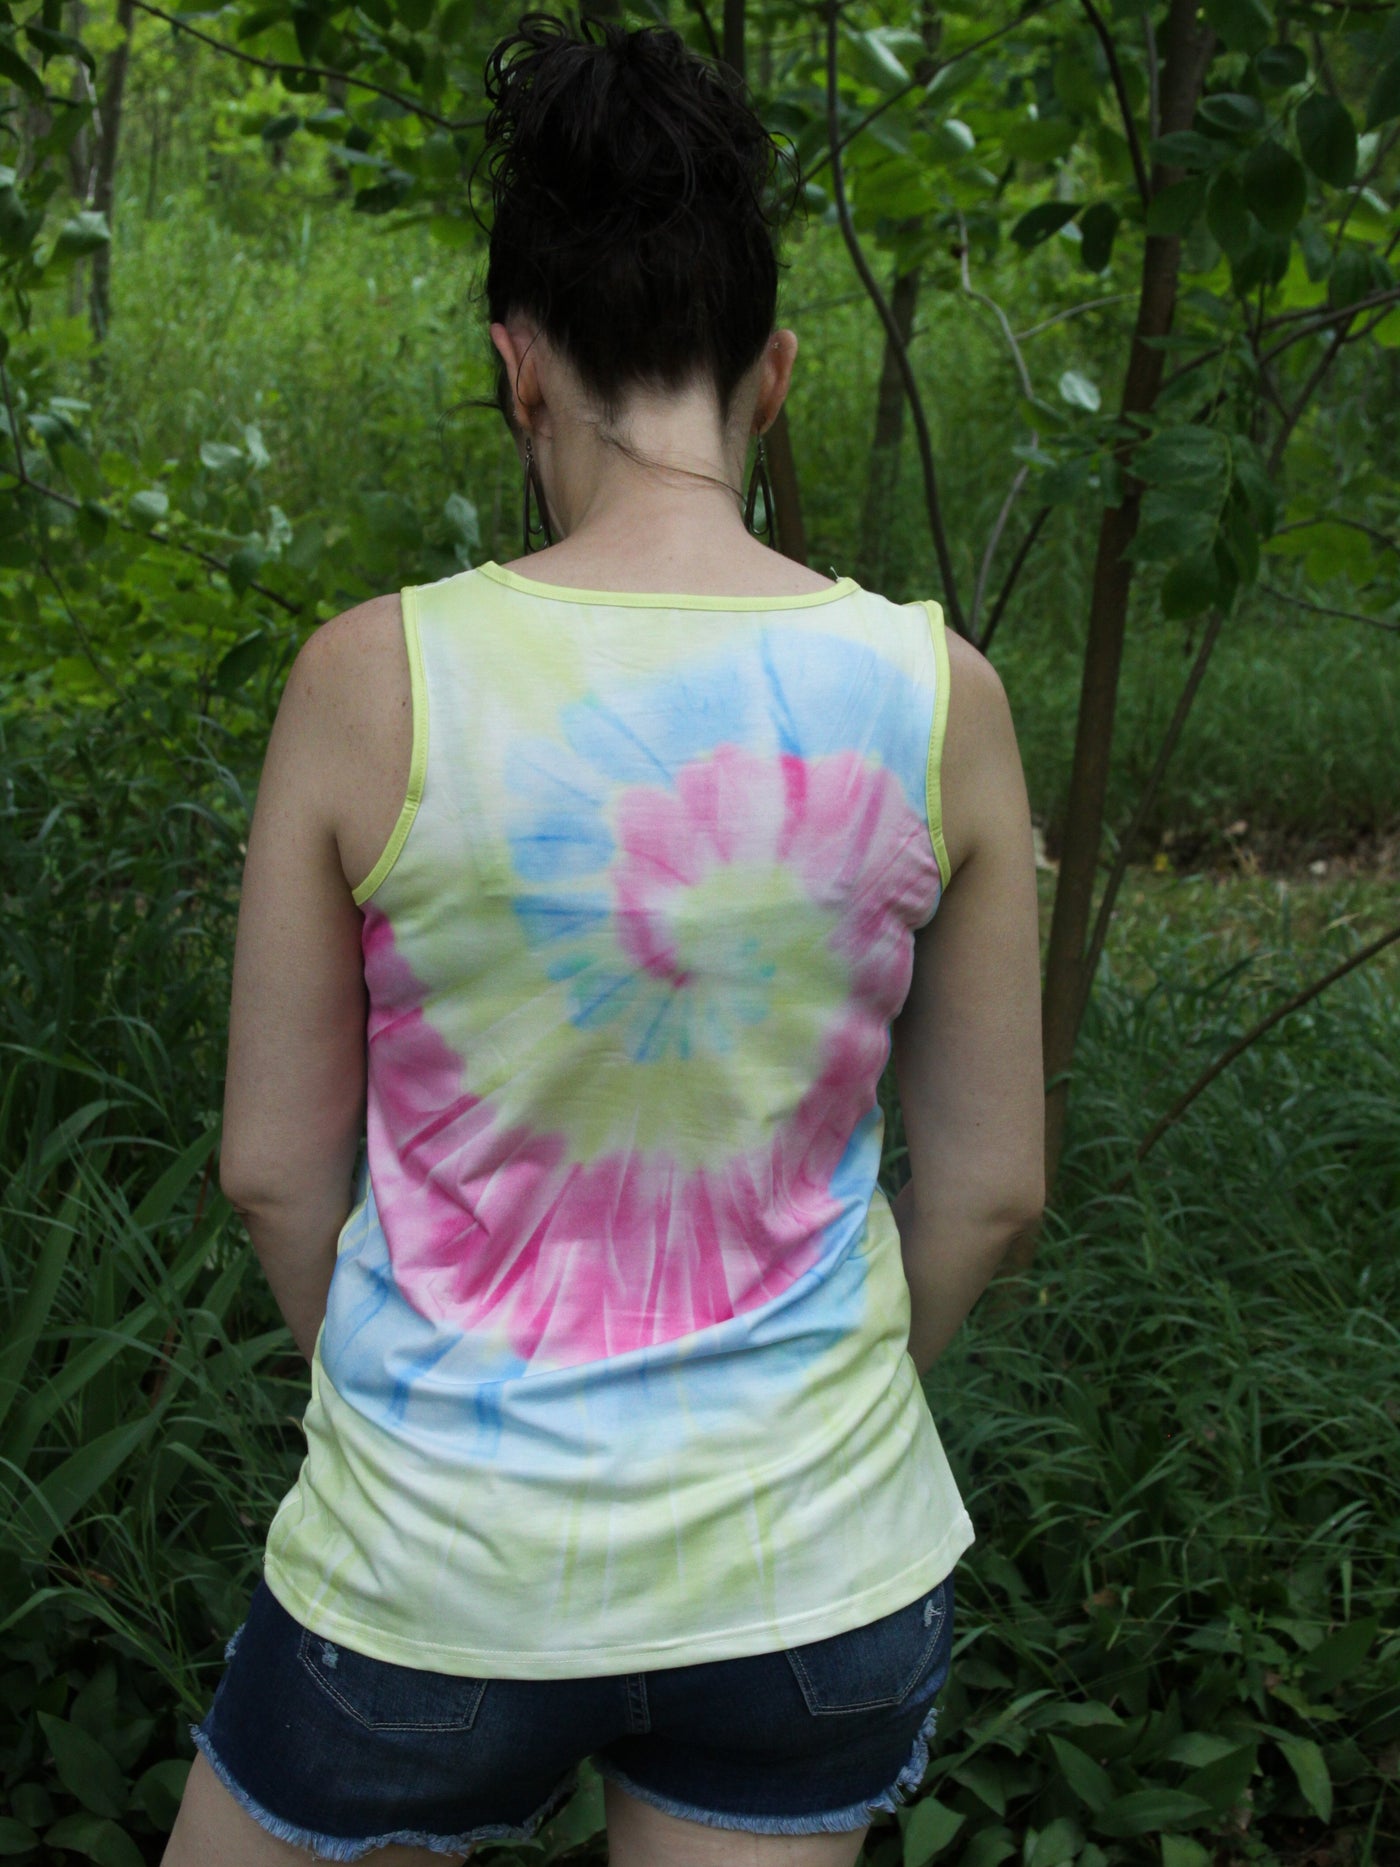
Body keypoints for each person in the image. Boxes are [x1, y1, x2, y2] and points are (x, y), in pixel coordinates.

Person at [162, 13, 1044, 1866]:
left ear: (515, 370)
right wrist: (811, 1421)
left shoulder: (369, 682)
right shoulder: (935, 692)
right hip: (812, 1576)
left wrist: (418, 1419)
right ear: (776, 375)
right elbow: (986, 1192)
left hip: (431, 1566)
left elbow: (267, 1167)